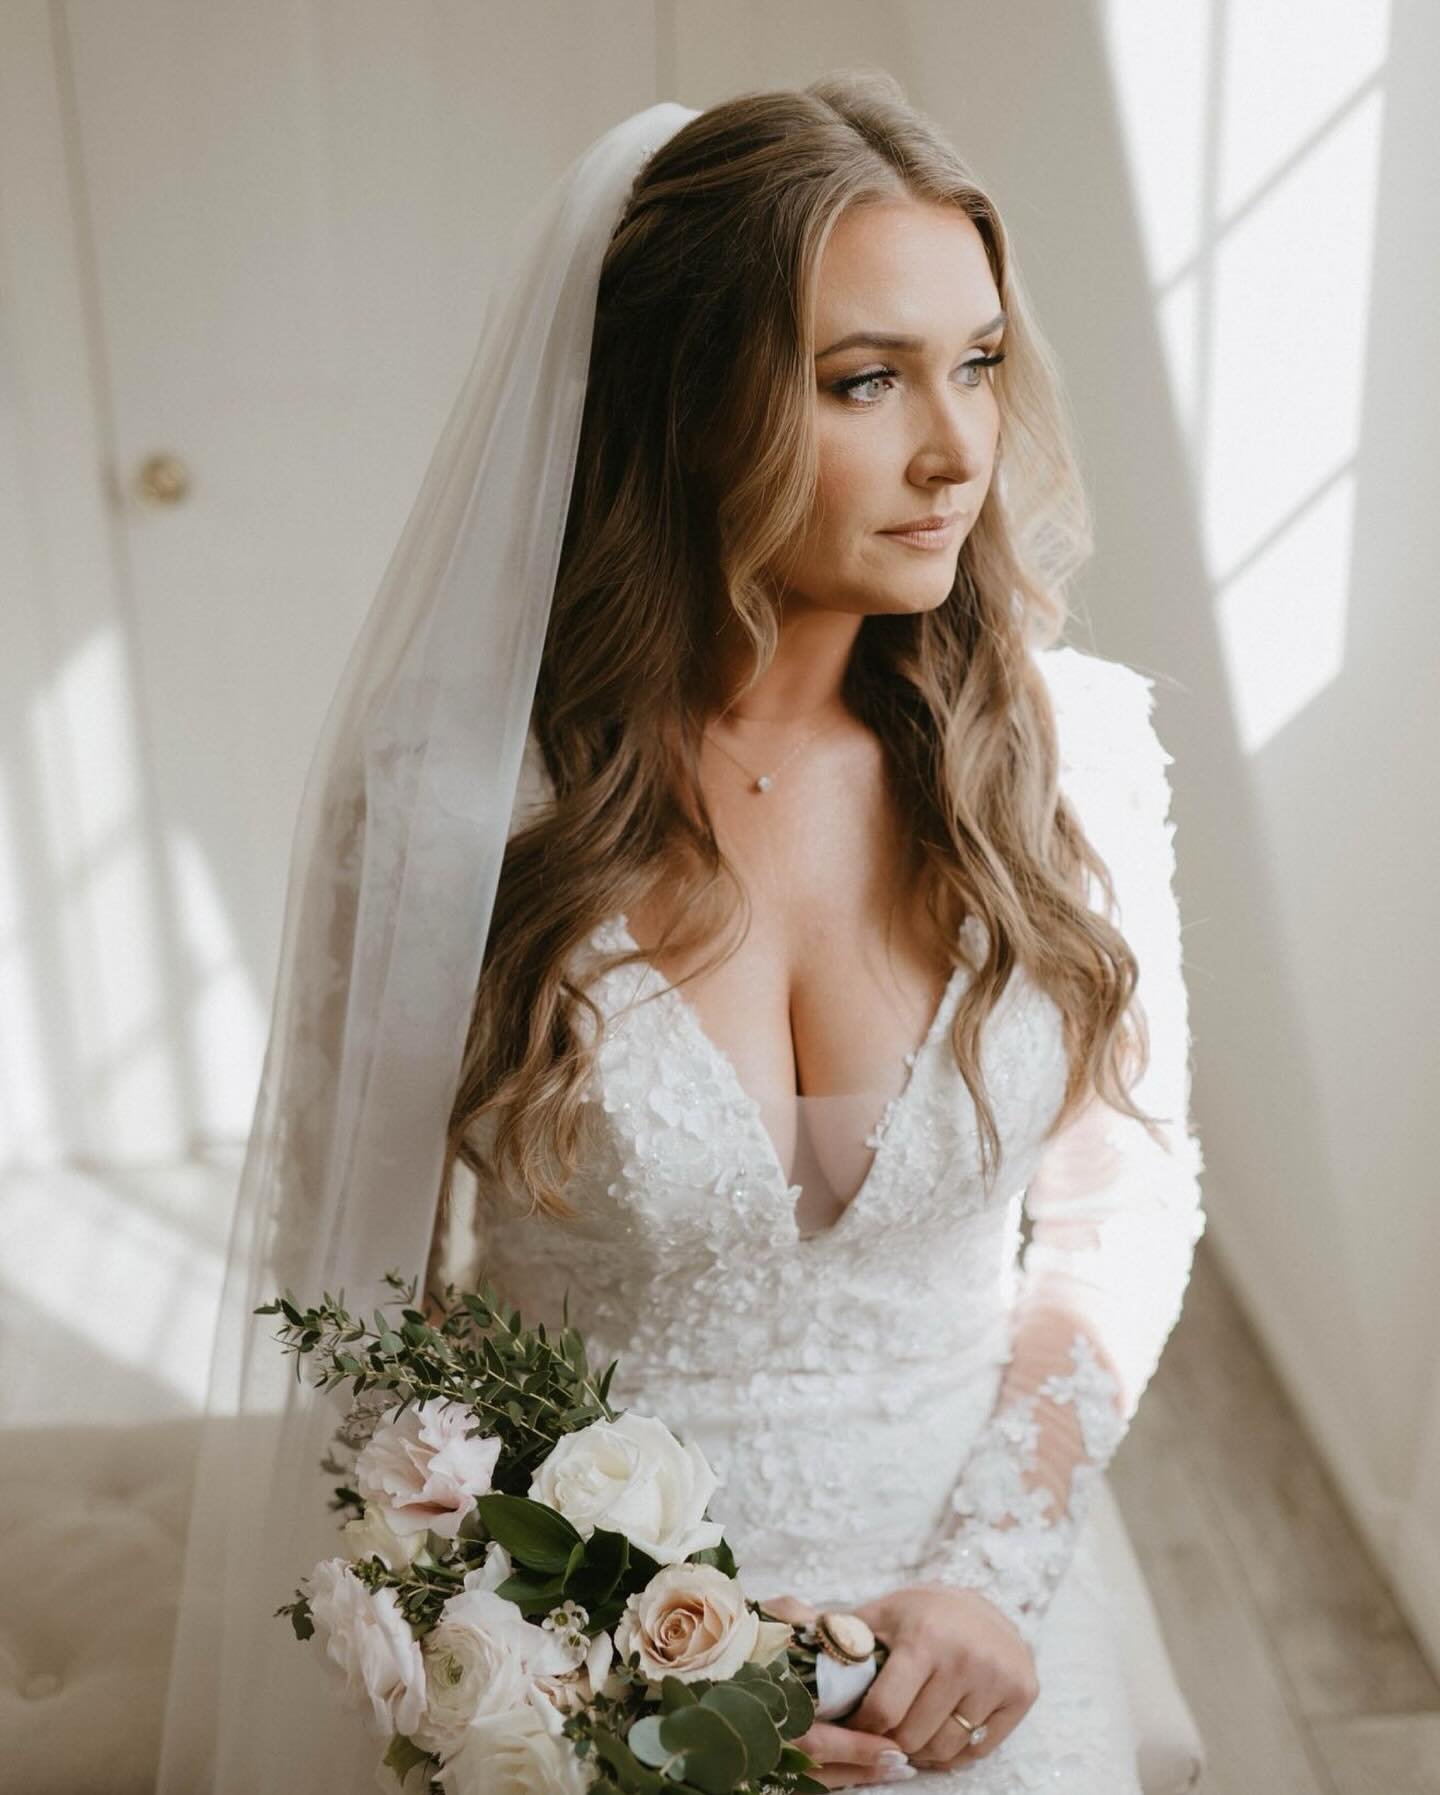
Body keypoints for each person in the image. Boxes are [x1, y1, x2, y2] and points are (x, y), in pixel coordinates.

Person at [159, 70, 1203, 1795]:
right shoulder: (459, 811)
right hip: (583, 1661)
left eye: (981, 363)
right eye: (867, 381)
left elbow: (1121, 1206)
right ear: (685, 406)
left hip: (971, 1627)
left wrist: (984, 1585)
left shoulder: (1068, 757)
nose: (955, 449)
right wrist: (615, 1648)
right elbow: (354, 1302)